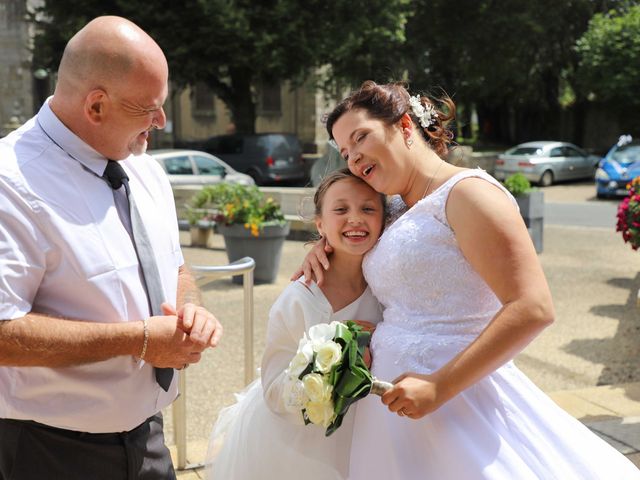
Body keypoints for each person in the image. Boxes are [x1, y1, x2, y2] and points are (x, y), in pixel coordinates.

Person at [295, 80, 640, 479]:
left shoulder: (468, 194)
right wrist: (324, 245)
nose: (354, 159)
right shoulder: (387, 208)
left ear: (405, 126)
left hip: (458, 399)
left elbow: (533, 307)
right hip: (392, 408)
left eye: (361, 139)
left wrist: (440, 386)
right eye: (346, 152)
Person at [0, 16, 222, 480]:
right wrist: (139, 339)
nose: (161, 122)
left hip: (148, 441)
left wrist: (191, 312)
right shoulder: (10, 182)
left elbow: (175, 267)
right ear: (96, 106)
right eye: (149, 108)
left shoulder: (145, 170)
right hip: (48, 452)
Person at [205, 169, 385, 479]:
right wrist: (335, 363)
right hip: (298, 446)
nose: (355, 218)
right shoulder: (298, 299)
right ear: (320, 224)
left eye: (368, 209)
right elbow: (275, 390)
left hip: (367, 434)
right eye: (341, 210)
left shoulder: (385, 288)